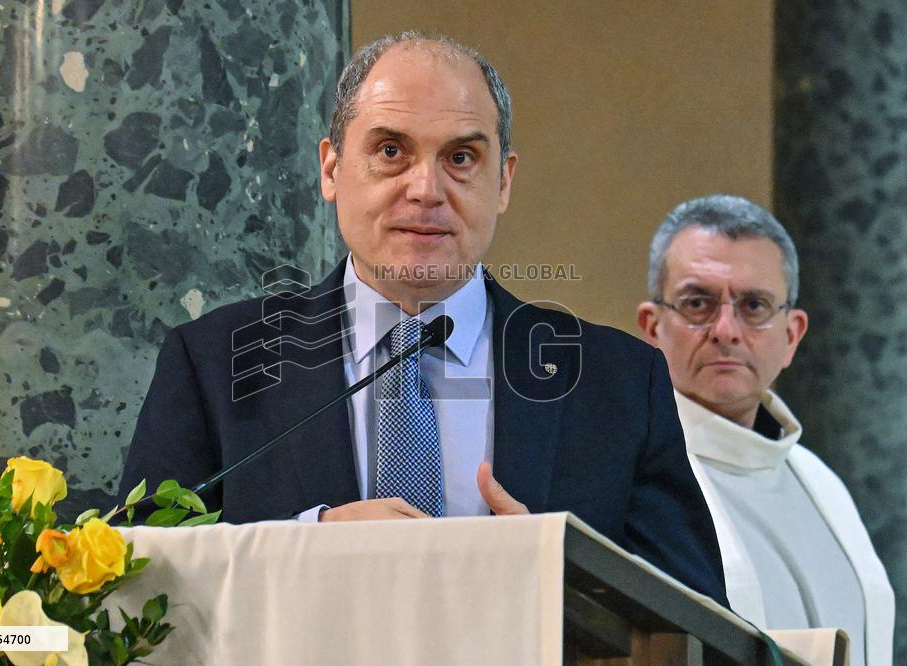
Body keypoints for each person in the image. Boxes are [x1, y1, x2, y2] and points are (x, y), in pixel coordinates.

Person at [120, 32, 728, 605]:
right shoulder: (215, 363)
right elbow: (133, 584)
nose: (426, 189)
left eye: (461, 157)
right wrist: (309, 540)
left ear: (503, 182)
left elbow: (697, 625)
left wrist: (563, 580)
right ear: (331, 169)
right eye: (390, 152)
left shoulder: (618, 383)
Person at [636, 195, 894, 665]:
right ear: (652, 329)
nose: (726, 330)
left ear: (791, 335)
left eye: (754, 305)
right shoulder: (626, 477)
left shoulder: (822, 484)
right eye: (698, 303)